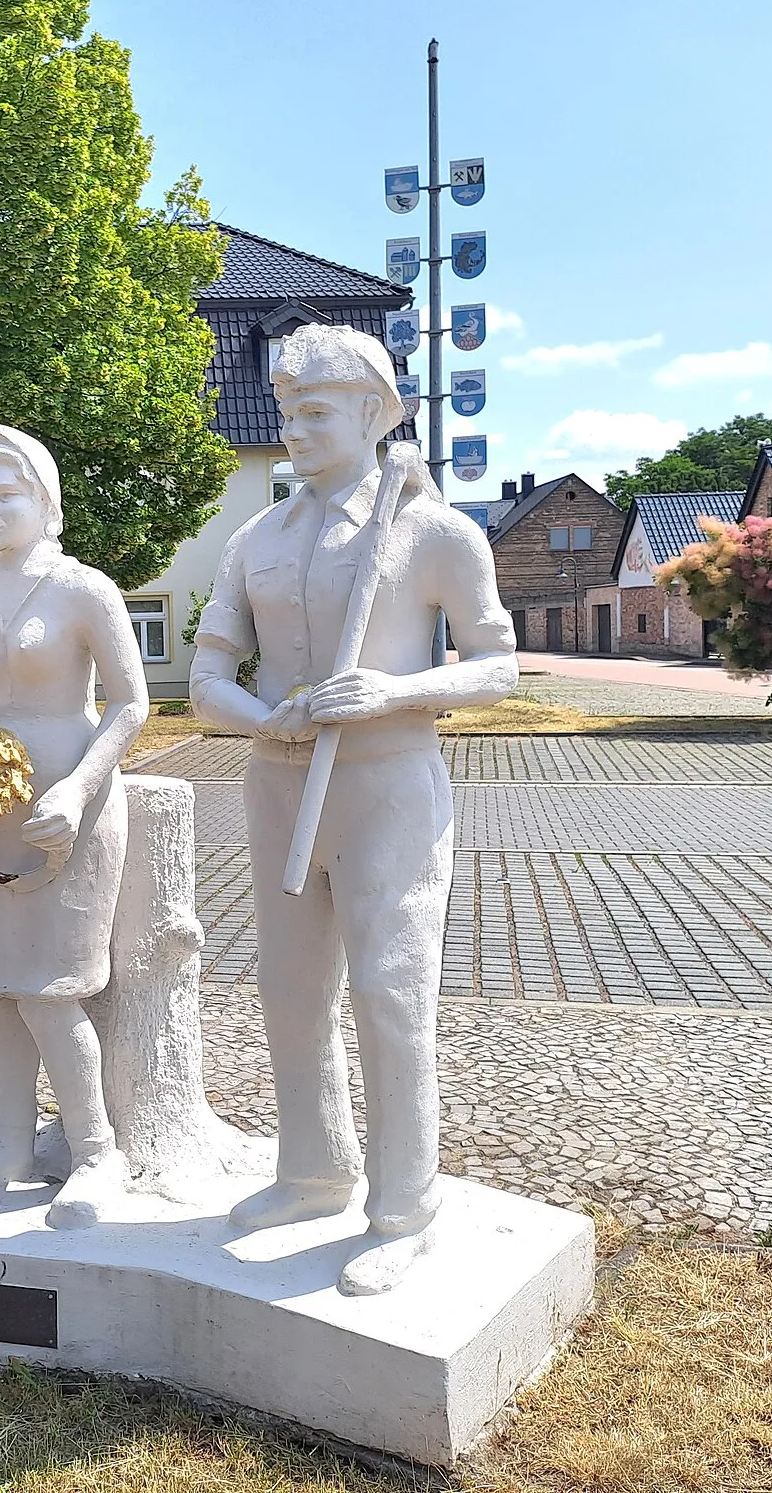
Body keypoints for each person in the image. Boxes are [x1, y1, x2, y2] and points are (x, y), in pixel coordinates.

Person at [189, 324, 517, 1295]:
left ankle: (403, 1206)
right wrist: (264, 717)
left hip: (386, 781)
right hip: (281, 781)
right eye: (286, 412)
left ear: (376, 414)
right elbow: (207, 675)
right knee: (288, 991)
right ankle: (311, 1170)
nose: (293, 428)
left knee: (388, 991)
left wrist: (393, 691)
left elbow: (498, 666)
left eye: (315, 410)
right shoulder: (256, 537)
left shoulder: (431, 531)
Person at [0, 425, 149, 1228]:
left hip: (74, 800)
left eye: (6, 495)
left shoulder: (84, 589)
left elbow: (132, 702)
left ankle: (96, 1151)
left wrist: (82, 788)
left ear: (45, 499)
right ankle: (9, 1141)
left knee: (55, 991)